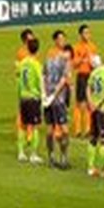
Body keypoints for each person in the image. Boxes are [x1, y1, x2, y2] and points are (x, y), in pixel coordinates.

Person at [43, 32, 72, 169]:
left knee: (50, 129)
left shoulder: (48, 58)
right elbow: (64, 79)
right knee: (64, 130)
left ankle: (51, 157)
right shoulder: (65, 60)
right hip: (58, 100)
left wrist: (45, 94)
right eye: (60, 39)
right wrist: (54, 94)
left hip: (48, 99)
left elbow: (43, 76)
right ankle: (63, 158)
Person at [17, 36, 44, 165]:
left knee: (22, 126)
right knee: (34, 127)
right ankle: (33, 154)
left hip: (23, 97)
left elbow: (18, 80)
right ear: (38, 50)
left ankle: (21, 152)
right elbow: (40, 82)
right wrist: (44, 97)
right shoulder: (36, 64)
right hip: (33, 98)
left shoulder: (22, 63)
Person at [86, 55, 104, 178]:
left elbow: (88, 88)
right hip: (103, 109)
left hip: (93, 109)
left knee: (93, 138)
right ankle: (103, 170)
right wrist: (98, 105)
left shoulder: (94, 73)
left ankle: (91, 168)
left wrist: (90, 103)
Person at [73, 24, 98, 139]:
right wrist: (83, 59)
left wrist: (95, 63)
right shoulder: (77, 47)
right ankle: (78, 129)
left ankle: (87, 129)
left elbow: (96, 62)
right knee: (80, 103)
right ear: (80, 34)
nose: (87, 35)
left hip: (91, 75)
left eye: (89, 33)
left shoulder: (93, 47)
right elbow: (74, 64)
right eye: (85, 33)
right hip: (81, 76)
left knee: (89, 103)